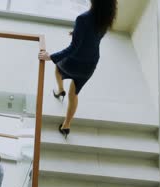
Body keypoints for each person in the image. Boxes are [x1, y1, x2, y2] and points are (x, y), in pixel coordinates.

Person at [38, 0, 118, 138]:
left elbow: (73, 48)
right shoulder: (106, 16)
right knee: (74, 94)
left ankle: (60, 90)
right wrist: (77, 33)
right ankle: (66, 125)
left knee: (58, 68)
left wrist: (50, 56)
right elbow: (96, 34)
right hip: (90, 65)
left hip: (74, 62)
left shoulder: (83, 18)